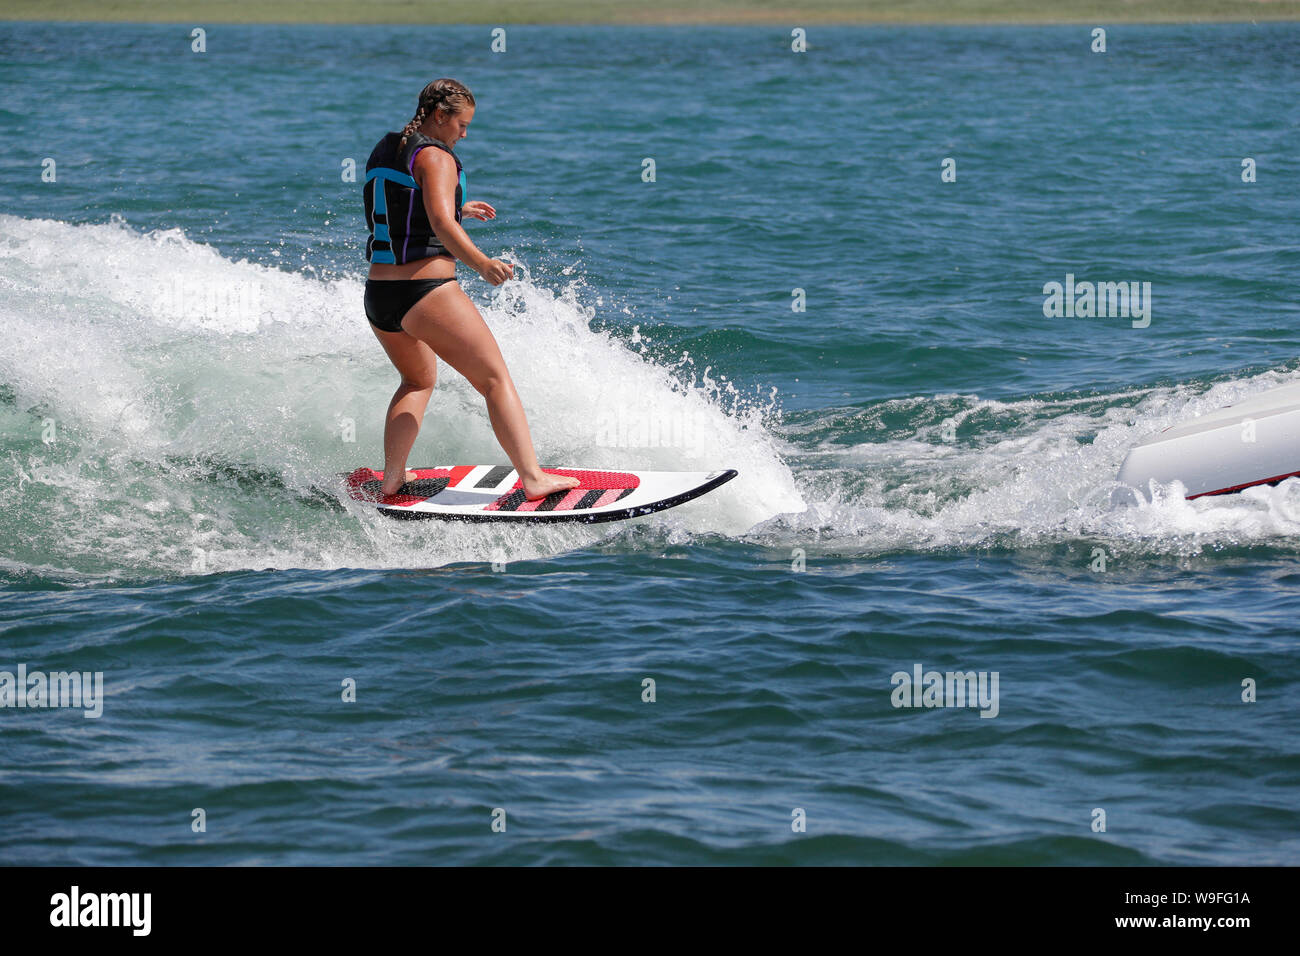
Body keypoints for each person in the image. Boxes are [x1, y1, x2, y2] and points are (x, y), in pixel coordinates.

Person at [362, 77, 580, 501]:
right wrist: (483, 264)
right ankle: (533, 478)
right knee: (495, 379)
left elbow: (395, 206)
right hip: (425, 291)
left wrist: (456, 205)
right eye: (461, 125)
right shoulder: (435, 158)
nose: (464, 135)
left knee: (416, 382)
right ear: (440, 116)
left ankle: (392, 477)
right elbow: (441, 226)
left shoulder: (387, 147)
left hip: (379, 296)